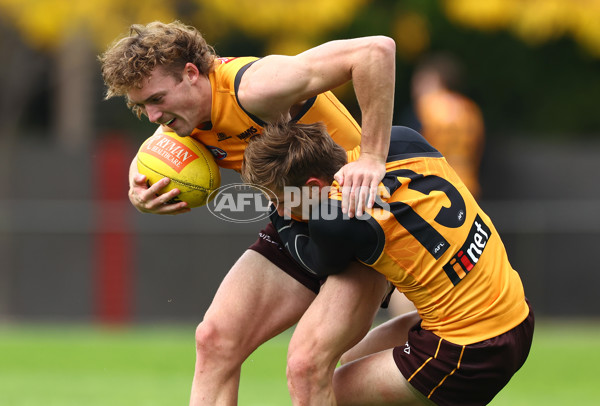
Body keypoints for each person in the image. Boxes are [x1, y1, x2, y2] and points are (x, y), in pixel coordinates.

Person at [99, 21, 395, 405]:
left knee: (307, 366)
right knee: (214, 340)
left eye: (156, 100)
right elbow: (151, 153)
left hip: (361, 220)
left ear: (191, 74)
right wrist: (136, 191)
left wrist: (372, 157)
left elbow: (375, 50)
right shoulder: (182, 115)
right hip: (298, 218)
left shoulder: (255, 87)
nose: (153, 116)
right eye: (142, 106)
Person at [241, 122, 534, 406]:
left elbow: (314, 261)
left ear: (314, 186)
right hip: (515, 314)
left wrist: (278, 217)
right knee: (354, 355)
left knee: (319, 390)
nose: (280, 208)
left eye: (280, 199)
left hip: (469, 350)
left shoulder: (337, 214)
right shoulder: (402, 140)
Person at [389, 52, 486, 318]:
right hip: (466, 191)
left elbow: (405, 150)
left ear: (433, 79)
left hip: (431, 195)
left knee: (412, 271)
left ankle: (407, 329)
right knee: (461, 268)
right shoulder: (470, 110)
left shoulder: (425, 108)